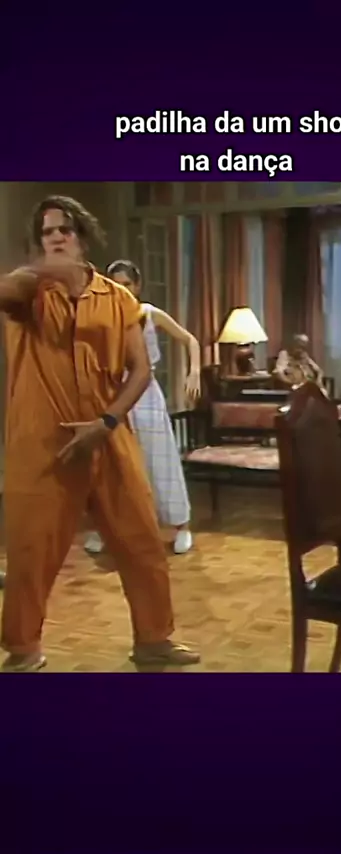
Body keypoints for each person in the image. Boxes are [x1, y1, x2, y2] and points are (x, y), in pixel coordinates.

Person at [0, 195, 200, 672]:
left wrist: (107, 421)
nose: (56, 237)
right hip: (42, 444)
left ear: (82, 236)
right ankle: (23, 650)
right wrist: (41, 272)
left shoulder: (118, 298)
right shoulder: (28, 290)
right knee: (31, 549)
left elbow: (139, 370)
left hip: (108, 435)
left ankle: (154, 640)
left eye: (65, 229)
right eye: (47, 231)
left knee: (142, 541)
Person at [84, 259, 200, 557]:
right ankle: (106, 527)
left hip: (146, 394)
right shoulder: (103, 317)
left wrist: (194, 371)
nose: (121, 290)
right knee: (113, 461)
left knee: (160, 458)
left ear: (136, 286)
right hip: (114, 394)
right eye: (114, 284)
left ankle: (181, 525)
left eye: (126, 284)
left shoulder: (149, 313)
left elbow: (189, 339)